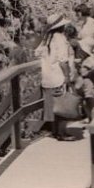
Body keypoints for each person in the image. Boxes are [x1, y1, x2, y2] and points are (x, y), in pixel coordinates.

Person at [35, 13, 74, 141]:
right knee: (63, 104)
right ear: (61, 26)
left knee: (53, 106)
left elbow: (37, 53)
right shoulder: (60, 39)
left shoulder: (46, 38)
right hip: (58, 75)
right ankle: (62, 133)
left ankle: (55, 131)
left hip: (47, 77)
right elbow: (63, 60)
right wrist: (67, 76)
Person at [71, 37, 94, 123]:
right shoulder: (82, 60)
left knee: (91, 103)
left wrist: (87, 72)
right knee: (85, 103)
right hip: (84, 83)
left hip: (90, 83)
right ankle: (90, 119)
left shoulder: (90, 60)